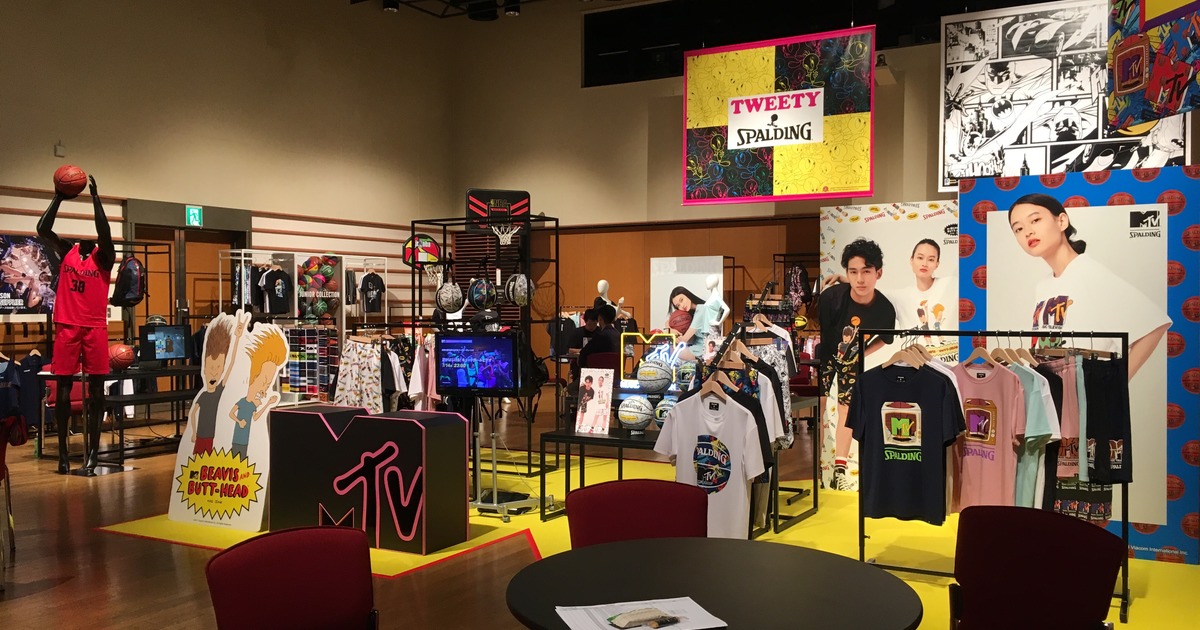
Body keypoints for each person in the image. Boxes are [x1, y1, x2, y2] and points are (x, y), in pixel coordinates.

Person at [1007, 193, 1171, 378]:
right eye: (1018, 229)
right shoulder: (1043, 286)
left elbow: (1153, 325)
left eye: (1035, 220)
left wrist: (1116, 385)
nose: (1027, 232)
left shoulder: (1089, 272)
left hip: (1086, 391)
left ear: (1061, 221)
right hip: (1049, 390)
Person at [38, 175, 115, 475]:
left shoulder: (104, 257)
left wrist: (96, 200)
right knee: (63, 388)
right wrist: (59, 196)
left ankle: (93, 453)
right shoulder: (67, 250)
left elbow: (104, 232)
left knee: (97, 391)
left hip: (94, 327)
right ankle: (62, 455)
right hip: (67, 325)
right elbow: (43, 229)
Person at [818, 238, 896, 491]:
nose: (860, 279)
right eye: (853, 272)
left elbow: (885, 339)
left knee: (846, 411)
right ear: (847, 273)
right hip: (824, 356)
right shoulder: (831, 298)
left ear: (878, 273)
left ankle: (839, 469)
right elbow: (820, 333)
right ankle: (817, 467)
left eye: (866, 271)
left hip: (852, 361)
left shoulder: (884, 309)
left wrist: (861, 353)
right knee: (819, 407)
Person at [188, 312, 248, 455]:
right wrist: (193, 432)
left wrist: (237, 338)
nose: (214, 373)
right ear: (204, 368)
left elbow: (231, 362)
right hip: (201, 437)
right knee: (198, 460)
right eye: (210, 368)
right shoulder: (203, 395)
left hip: (212, 437)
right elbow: (193, 413)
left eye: (218, 368)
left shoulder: (220, 389)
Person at [227, 328, 286, 461]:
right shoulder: (242, 401)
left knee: (242, 459)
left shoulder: (253, 404)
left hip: (245, 440)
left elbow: (256, 417)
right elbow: (231, 413)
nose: (264, 389)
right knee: (234, 458)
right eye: (264, 382)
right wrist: (239, 421)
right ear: (252, 377)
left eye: (268, 384)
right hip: (237, 439)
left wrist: (268, 403)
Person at [664, 286, 716, 361]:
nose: (682, 306)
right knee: (669, 350)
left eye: (681, 300)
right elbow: (667, 321)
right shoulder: (692, 314)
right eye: (678, 305)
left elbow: (684, 339)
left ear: (687, 295)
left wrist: (672, 334)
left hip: (705, 349)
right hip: (697, 347)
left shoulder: (702, 309)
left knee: (669, 350)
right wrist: (670, 329)